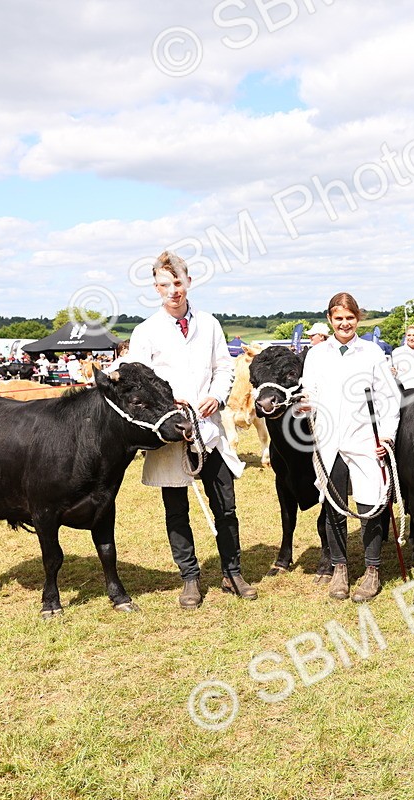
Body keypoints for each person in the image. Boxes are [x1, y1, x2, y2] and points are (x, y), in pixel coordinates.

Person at [128, 250, 255, 609]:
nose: (173, 290)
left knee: (226, 506)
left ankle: (232, 571)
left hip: (209, 429)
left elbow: (224, 368)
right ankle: (190, 578)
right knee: (176, 508)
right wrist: (169, 406)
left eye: (178, 282)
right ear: (156, 287)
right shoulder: (145, 332)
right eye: (165, 284)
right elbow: (139, 382)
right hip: (172, 433)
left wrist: (216, 396)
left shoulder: (210, 324)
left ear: (188, 282)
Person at [300, 292, 402, 602]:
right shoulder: (317, 354)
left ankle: (372, 571)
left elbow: (389, 399)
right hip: (329, 442)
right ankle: (340, 568)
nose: (344, 323)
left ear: (357, 319)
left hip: (365, 442)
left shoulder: (371, 353)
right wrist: (306, 406)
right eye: (338, 318)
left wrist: (386, 436)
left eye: (350, 318)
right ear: (330, 320)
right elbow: (310, 391)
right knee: (333, 506)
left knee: (370, 506)